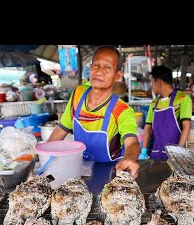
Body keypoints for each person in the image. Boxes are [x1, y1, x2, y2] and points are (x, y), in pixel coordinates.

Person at [47, 46, 140, 178]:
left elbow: (132, 143)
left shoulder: (122, 110)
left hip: (111, 174)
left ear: (117, 76)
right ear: (90, 68)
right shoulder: (77, 95)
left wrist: (129, 159)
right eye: (96, 65)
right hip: (80, 170)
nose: (99, 72)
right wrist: (42, 154)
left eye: (107, 68)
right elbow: (61, 130)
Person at [139, 65, 192, 160]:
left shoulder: (182, 98)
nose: (151, 85)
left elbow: (186, 126)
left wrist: (179, 151)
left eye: (152, 81)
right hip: (157, 152)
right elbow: (148, 127)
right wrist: (144, 150)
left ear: (158, 82)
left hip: (176, 154)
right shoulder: (154, 104)